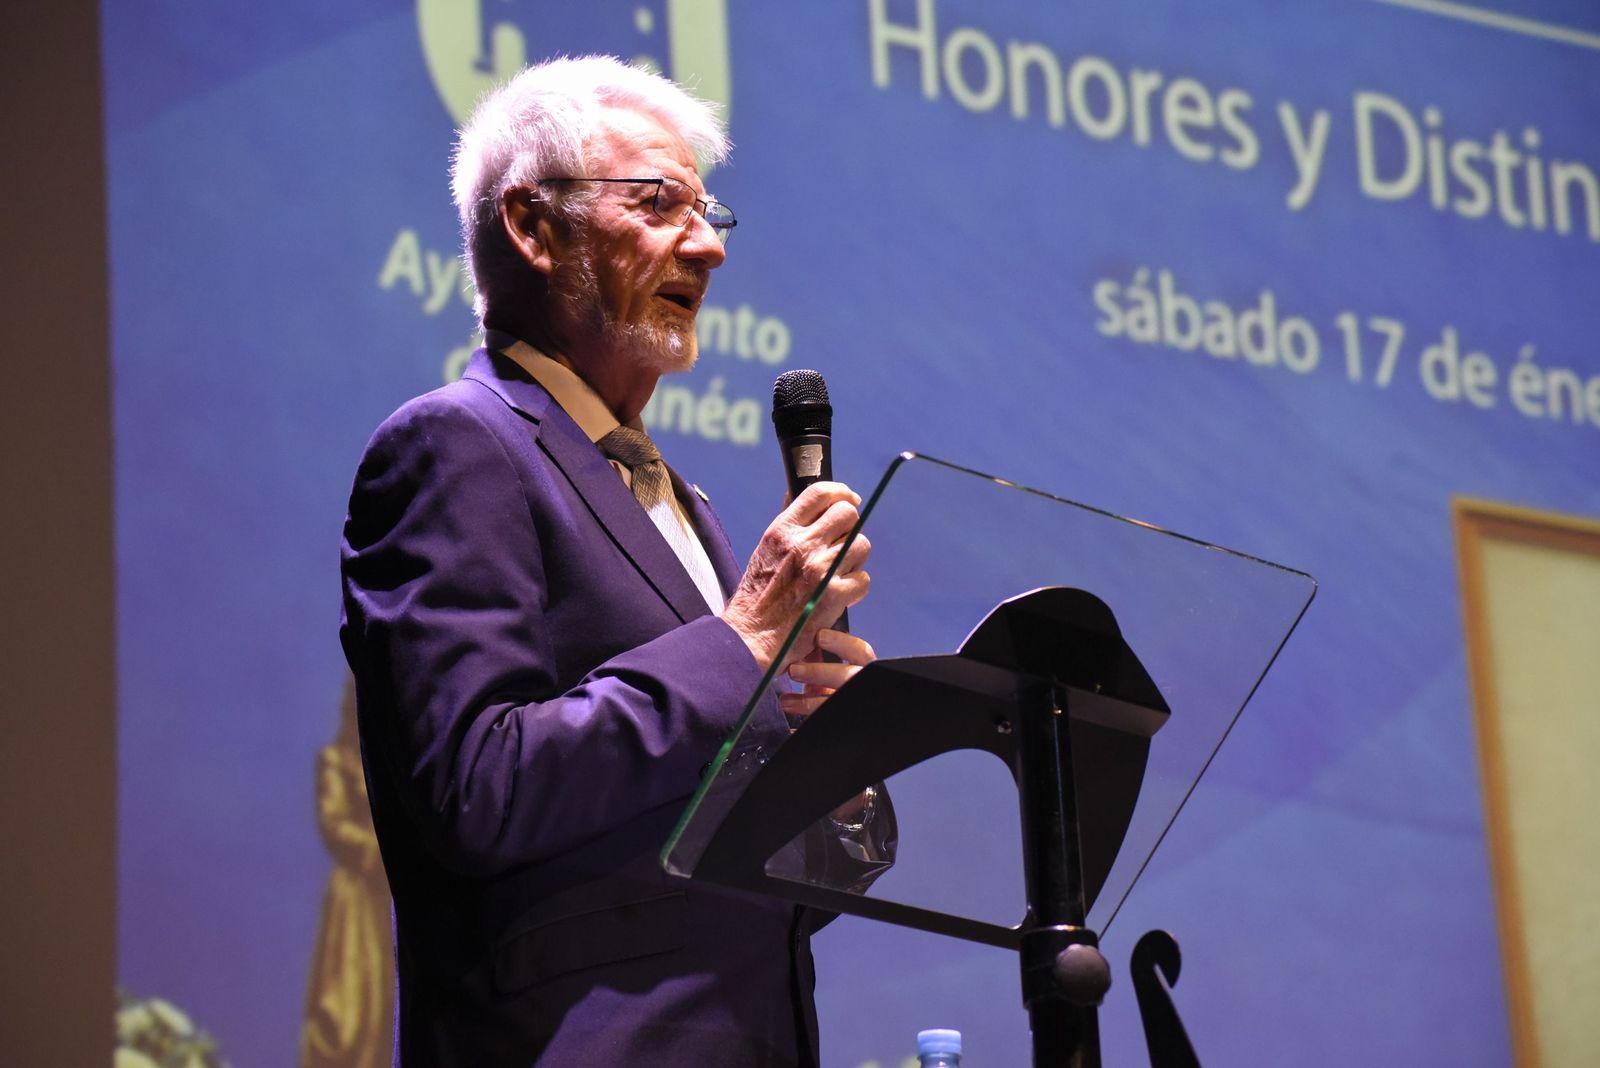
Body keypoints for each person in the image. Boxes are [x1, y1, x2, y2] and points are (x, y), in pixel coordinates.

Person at [339, 55, 883, 1066]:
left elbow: (738, 879)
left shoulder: (685, 508)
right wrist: (739, 645)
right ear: (533, 225)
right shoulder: (457, 445)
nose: (707, 247)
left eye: (708, 213)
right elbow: (474, 788)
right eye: (658, 203)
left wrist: (835, 776)